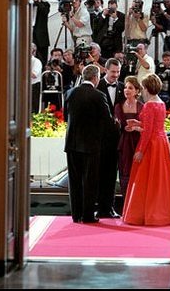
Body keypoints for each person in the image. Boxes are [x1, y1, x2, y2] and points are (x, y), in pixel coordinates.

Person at [64, 64, 117, 224]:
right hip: (91, 145)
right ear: (95, 78)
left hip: (72, 144)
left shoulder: (70, 93)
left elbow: (66, 116)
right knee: (90, 180)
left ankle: (76, 214)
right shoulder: (98, 95)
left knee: (74, 180)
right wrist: (117, 125)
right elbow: (108, 122)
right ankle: (87, 215)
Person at [122, 73, 170, 226]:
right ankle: (162, 212)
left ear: (146, 88)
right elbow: (153, 126)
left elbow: (148, 131)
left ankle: (146, 214)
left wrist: (140, 150)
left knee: (146, 180)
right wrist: (137, 123)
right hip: (161, 143)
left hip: (151, 144)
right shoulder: (161, 103)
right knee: (160, 180)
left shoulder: (149, 105)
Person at [96, 58, 125, 218]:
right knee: (99, 173)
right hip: (99, 139)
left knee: (112, 175)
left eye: (118, 71)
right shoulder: (97, 86)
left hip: (117, 139)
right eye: (113, 72)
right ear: (105, 70)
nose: (116, 75)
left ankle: (109, 207)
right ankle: (99, 207)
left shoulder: (122, 88)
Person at [114, 76, 144, 199]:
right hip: (123, 143)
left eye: (130, 88)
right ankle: (126, 201)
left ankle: (137, 202)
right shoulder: (118, 106)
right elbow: (117, 125)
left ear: (137, 91)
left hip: (137, 142)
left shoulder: (142, 106)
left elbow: (145, 126)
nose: (127, 90)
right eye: (126, 87)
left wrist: (136, 127)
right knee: (124, 172)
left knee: (138, 172)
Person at [32, 0, 51, 68]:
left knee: (42, 59)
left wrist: (37, 1)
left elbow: (45, 11)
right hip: (29, 33)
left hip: (41, 38)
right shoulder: (27, 3)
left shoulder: (45, 4)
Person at [31, 43, 43, 114]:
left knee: (33, 109)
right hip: (22, 86)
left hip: (33, 86)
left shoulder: (36, 61)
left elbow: (34, 75)